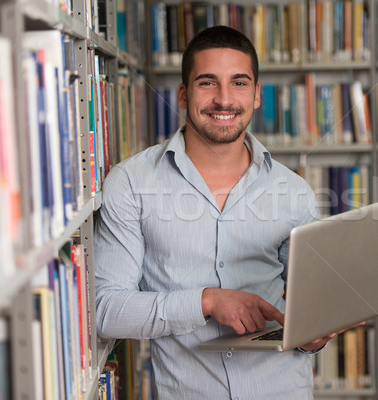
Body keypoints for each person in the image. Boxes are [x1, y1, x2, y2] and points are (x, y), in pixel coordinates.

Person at [95, 25, 336, 399]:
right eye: (208, 83)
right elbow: (106, 309)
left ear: (257, 96)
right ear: (183, 94)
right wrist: (205, 301)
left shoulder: (293, 192)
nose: (224, 100)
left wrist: (313, 336)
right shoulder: (130, 183)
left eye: (239, 83)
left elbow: (311, 306)